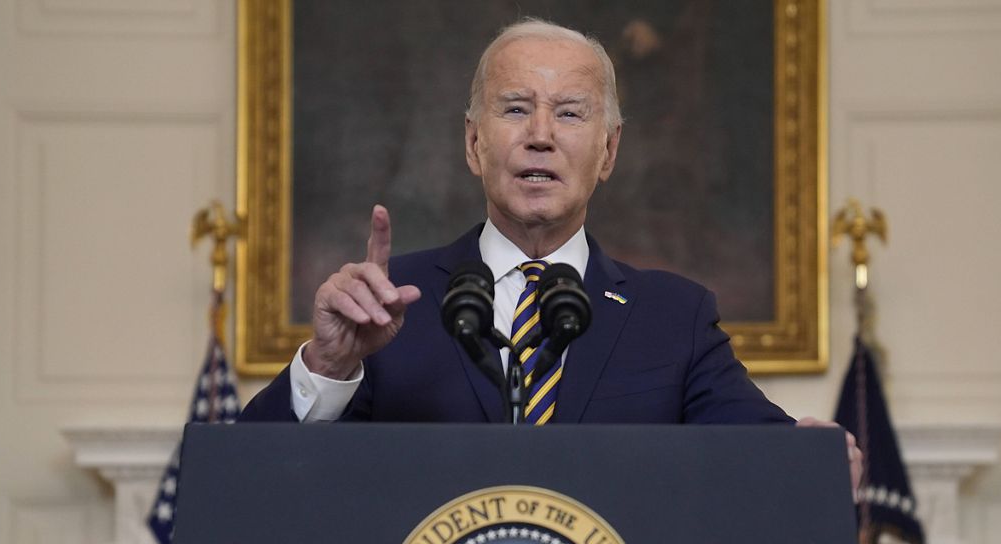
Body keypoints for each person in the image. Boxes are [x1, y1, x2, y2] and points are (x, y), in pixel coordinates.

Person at [240, 18, 861, 483]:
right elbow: (255, 478)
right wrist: (326, 365)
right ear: (475, 144)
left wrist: (819, 459)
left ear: (609, 151)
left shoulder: (675, 320)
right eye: (515, 110)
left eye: (569, 113)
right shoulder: (387, 305)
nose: (540, 136)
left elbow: (771, 464)